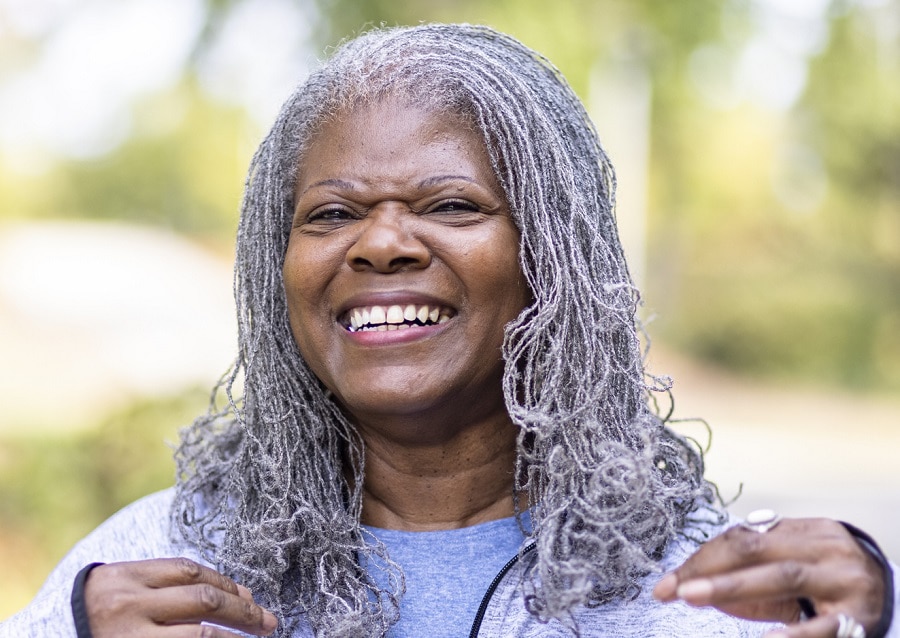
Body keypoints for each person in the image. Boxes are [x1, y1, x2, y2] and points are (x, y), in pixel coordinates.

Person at [1, 23, 896, 638]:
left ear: (556, 257)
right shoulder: (154, 566)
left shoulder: (720, 588)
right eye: (332, 212)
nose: (382, 241)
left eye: (452, 204)